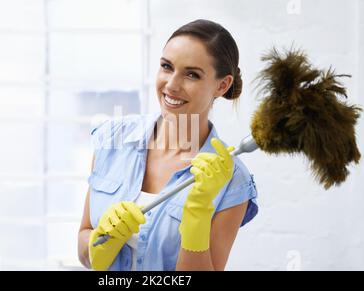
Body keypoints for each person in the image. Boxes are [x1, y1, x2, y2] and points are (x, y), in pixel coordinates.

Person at [78, 19, 258, 271]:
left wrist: (198, 216)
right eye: (166, 67)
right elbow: (83, 245)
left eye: (192, 74)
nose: (171, 85)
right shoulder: (113, 139)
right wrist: (100, 244)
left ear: (222, 85)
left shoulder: (231, 179)